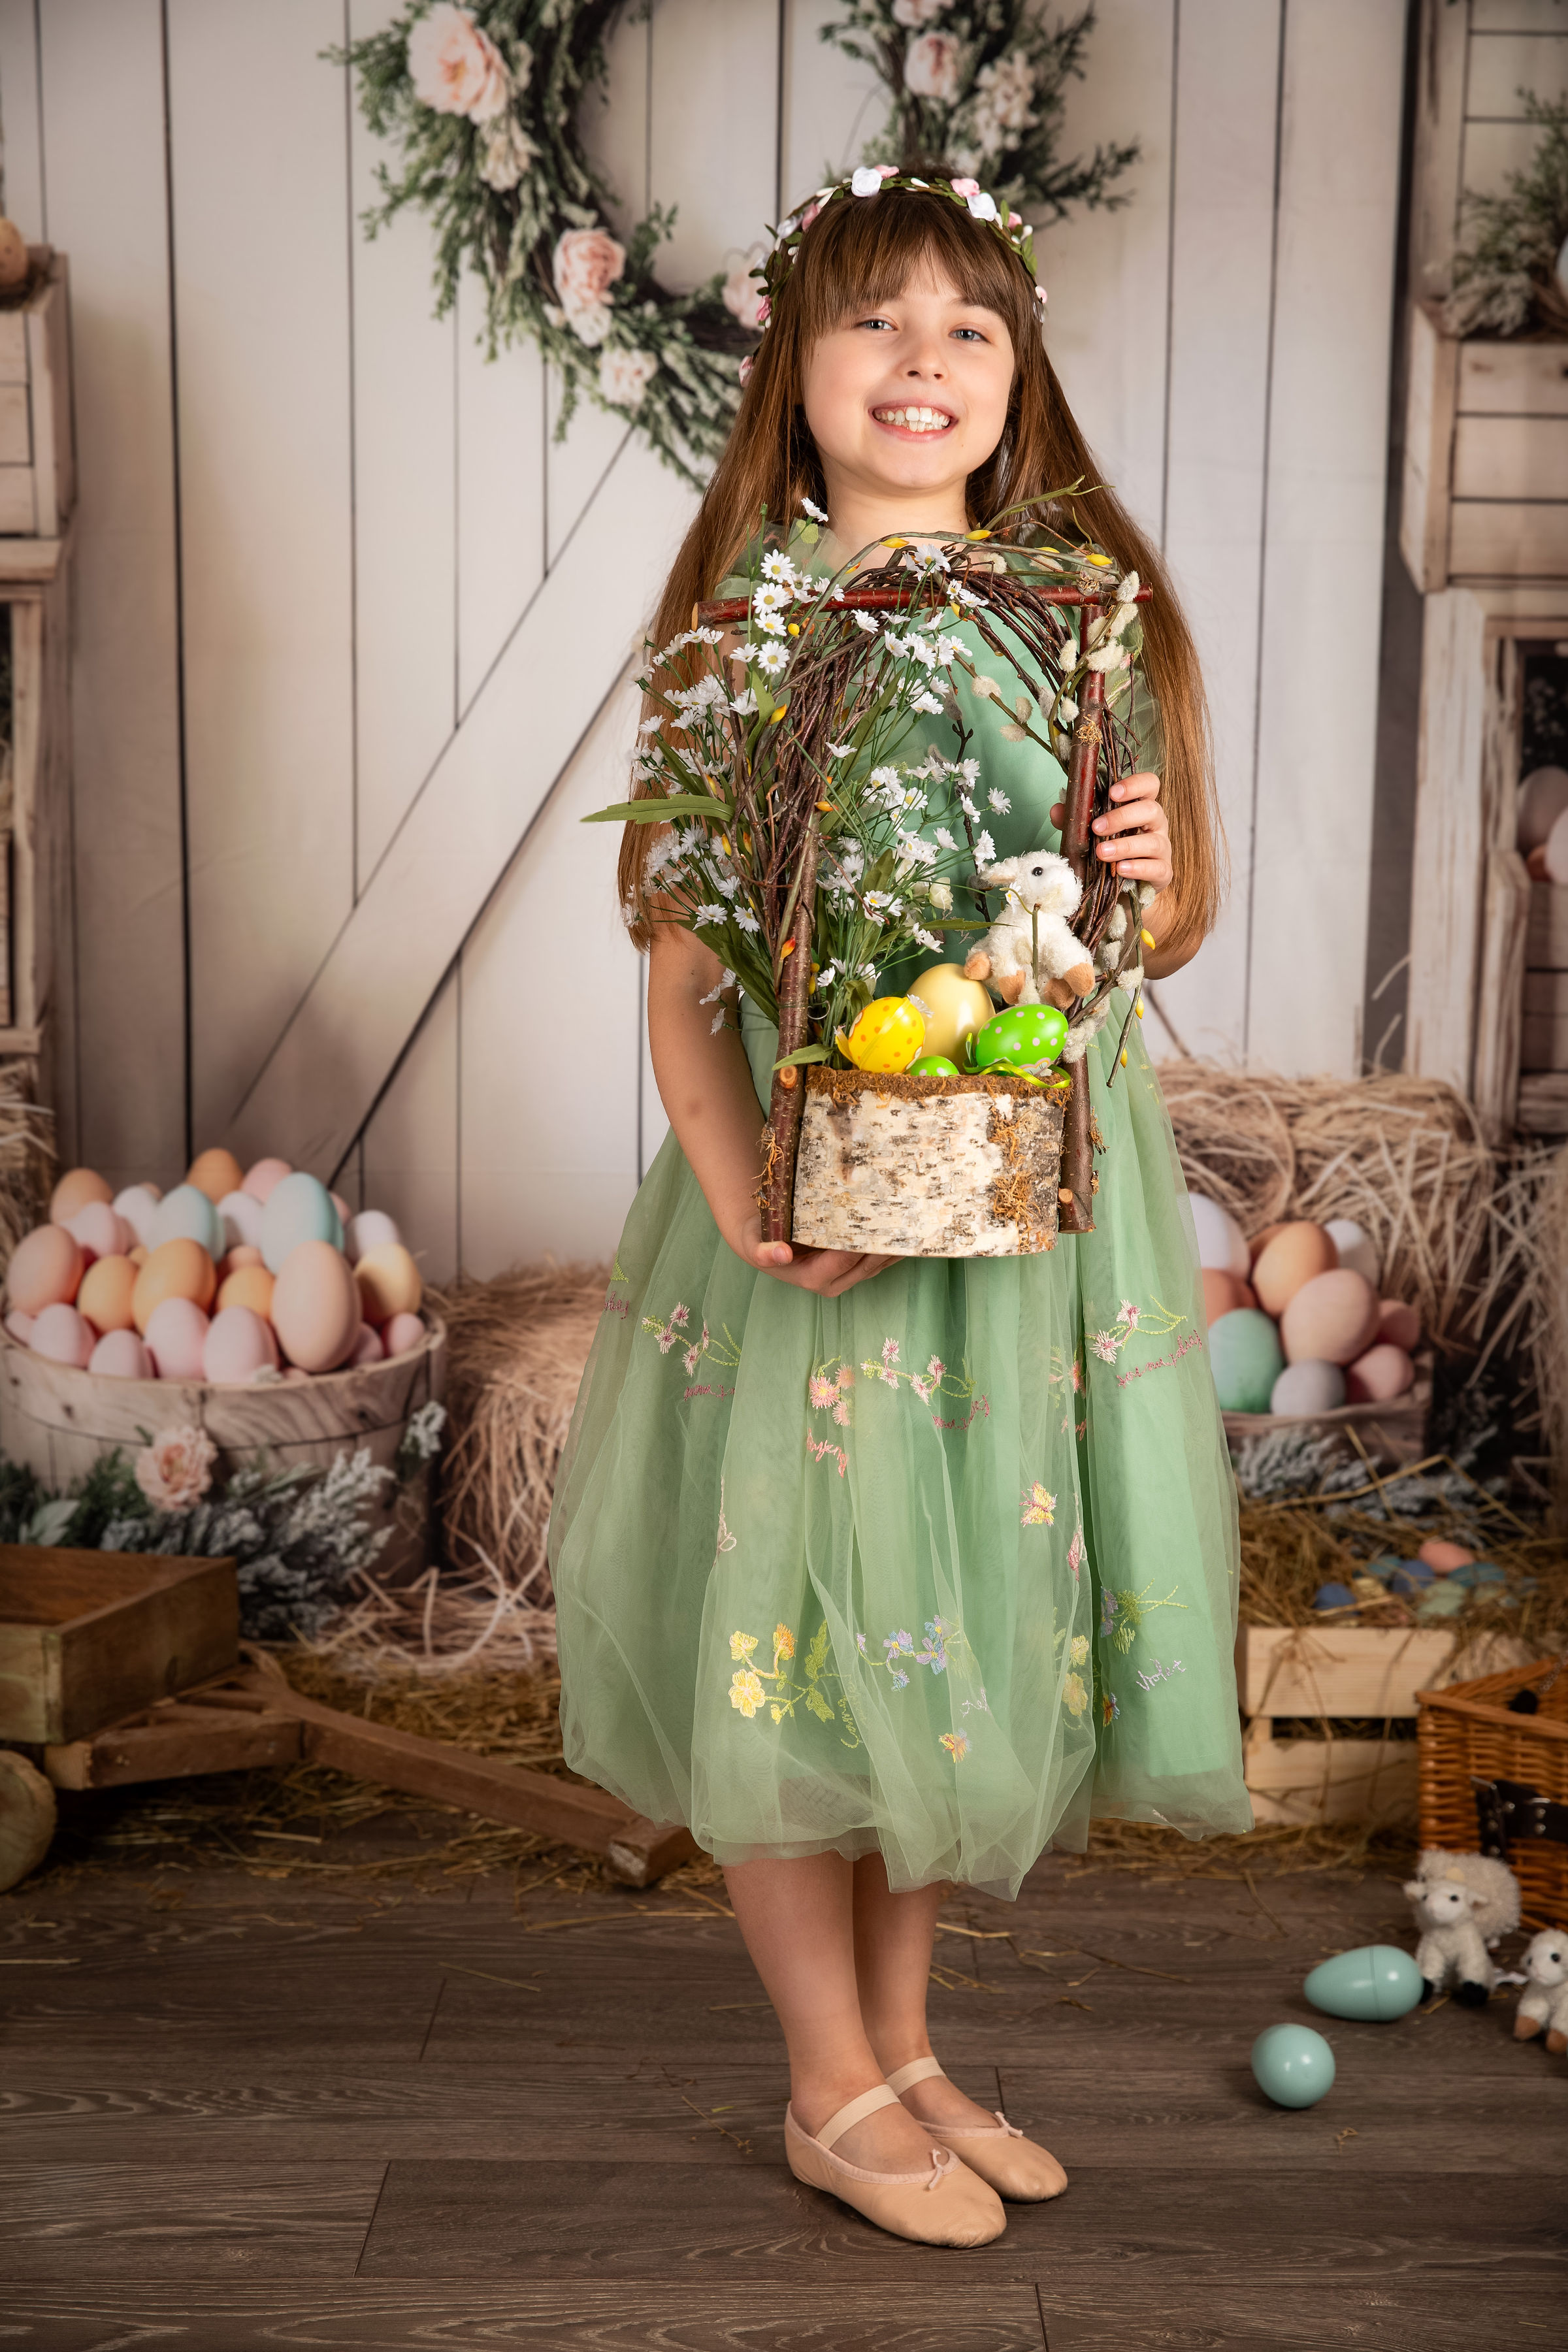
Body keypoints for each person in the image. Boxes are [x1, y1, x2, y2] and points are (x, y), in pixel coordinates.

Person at [548, 173, 1250, 2248]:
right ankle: (823, 2078)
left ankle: (910, 2033)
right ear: (796, 372)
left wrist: (1143, 865)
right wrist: (747, 1187)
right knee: (799, 1619)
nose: (924, 360)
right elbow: (679, 972)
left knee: (954, 1618)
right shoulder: (743, 637)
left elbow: (1157, 927)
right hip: (820, 1215)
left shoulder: (1081, 613)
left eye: (971, 326)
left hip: (1026, 1216)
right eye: (875, 323)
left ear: (1019, 378)